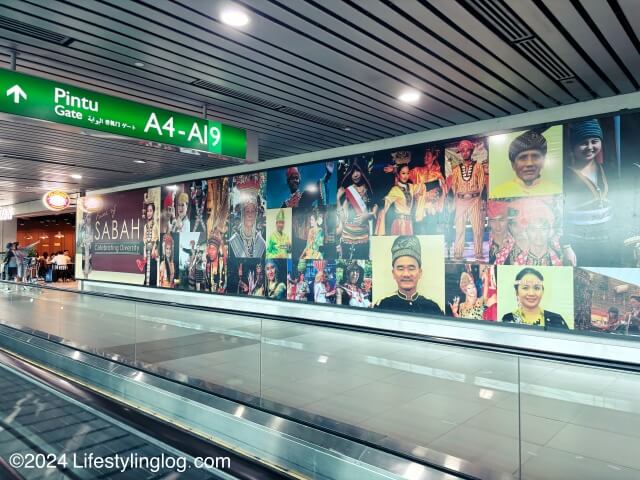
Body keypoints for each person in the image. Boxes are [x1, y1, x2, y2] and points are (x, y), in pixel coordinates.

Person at [565, 119, 612, 266]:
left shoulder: (608, 170)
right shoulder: (565, 176)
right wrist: (566, 246)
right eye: (583, 143)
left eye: (594, 141)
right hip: (579, 248)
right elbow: (559, 215)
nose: (590, 147)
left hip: (608, 245)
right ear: (573, 146)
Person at [375, 235, 443, 315]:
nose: (406, 274)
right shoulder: (382, 306)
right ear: (393, 273)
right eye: (400, 268)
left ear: (420, 273)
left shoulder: (433, 308)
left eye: (411, 268)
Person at [491, 129, 561, 198]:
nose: (529, 163)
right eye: (523, 158)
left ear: (543, 162)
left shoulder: (556, 191)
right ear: (513, 165)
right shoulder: (497, 193)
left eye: (535, 157)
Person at [448, 140, 486, 260]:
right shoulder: (456, 169)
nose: (464, 153)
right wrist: (458, 198)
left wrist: (478, 199)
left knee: (477, 228)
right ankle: (458, 253)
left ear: (471, 151)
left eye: (467, 150)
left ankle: (478, 253)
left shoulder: (478, 167)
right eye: (462, 151)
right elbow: (454, 186)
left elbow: (481, 185)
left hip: (475, 200)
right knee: (459, 229)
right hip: (460, 201)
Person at [501, 267, 568, 329]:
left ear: (542, 291)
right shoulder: (508, 318)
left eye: (536, 288)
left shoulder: (556, 319)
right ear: (516, 292)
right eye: (525, 288)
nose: (531, 293)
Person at [337, 158, 377, 259]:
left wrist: (368, 215)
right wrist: (338, 199)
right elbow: (342, 218)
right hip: (347, 238)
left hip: (363, 238)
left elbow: (375, 209)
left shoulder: (369, 190)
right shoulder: (348, 191)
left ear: (362, 170)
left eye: (357, 170)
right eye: (353, 171)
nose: (355, 174)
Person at [375, 152, 423, 236]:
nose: (406, 176)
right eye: (403, 173)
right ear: (398, 174)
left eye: (408, 173)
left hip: (409, 223)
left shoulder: (411, 187)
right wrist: (378, 207)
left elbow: (422, 186)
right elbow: (387, 202)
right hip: (398, 223)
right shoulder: (395, 189)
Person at [229, 175, 266, 258]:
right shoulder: (233, 240)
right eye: (247, 211)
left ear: (256, 214)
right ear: (242, 213)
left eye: (253, 211)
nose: (250, 214)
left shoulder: (262, 240)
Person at [142, 199, 159, 287]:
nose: (149, 213)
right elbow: (144, 240)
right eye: (148, 211)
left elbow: (156, 240)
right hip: (147, 253)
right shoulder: (145, 226)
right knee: (146, 274)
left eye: (150, 211)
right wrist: (144, 252)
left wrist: (153, 250)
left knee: (152, 274)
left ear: (153, 212)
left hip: (152, 254)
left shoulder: (155, 225)